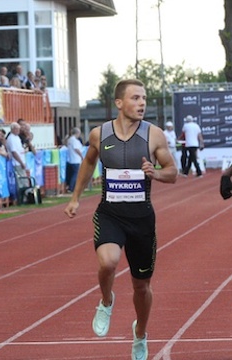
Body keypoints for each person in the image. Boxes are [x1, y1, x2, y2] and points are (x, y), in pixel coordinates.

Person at [63, 79, 176, 360]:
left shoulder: (154, 135)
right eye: (135, 98)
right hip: (110, 213)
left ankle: (140, 333)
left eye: (144, 98)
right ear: (119, 103)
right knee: (108, 262)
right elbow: (89, 162)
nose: (142, 103)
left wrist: (156, 173)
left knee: (141, 286)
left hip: (142, 219)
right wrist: (75, 197)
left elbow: (172, 171)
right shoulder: (99, 135)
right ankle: (106, 301)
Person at [65, 127, 83, 192]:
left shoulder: (69, 140)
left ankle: (70, 186)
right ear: (77, 133)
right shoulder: (74, 140)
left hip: (71, 159)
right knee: (75, 174)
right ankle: (71, 187)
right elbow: (76, 149)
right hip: (75, 159)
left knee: (72, 174)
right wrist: (81, 156)